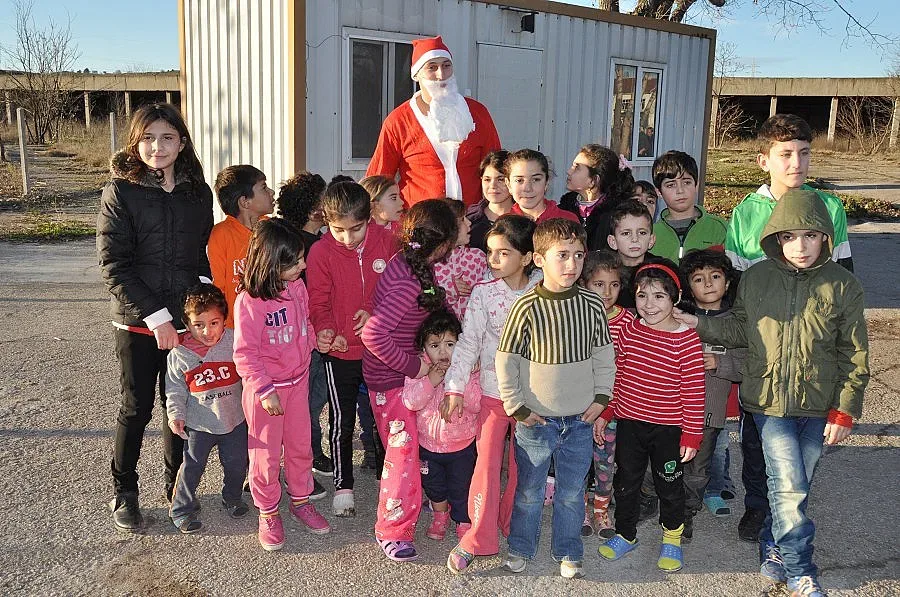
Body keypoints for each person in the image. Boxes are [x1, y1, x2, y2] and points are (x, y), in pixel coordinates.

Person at [677, 189, 868, 596]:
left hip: (818, 405)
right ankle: (801, 568)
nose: (800, 246)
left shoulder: (844, 285)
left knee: (795, 486)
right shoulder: (759, 278)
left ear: (826, 238)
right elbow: (737, 330)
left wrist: (845, 409)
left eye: (811, 236)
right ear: (776, 238)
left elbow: (853, 353)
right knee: (789, 488)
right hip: (767, 403)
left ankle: (772, 543)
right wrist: (695, 322)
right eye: (789, 236)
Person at [724, 113, 854, 544]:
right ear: (764, 161)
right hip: (761, 345)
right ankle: (758, 506)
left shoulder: (829, 207)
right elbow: (735, 281)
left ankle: (788, 510)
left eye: (803, 153)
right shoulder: (747, 211)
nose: (795, 162)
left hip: (811, 349)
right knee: (757, 433)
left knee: (801, 439)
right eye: (785, 154)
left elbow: (843, 277)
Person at [97, 102, 214, 532]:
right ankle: (124, 492)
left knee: (178, 405)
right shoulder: (121, 191)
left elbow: (199, 255)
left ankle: (177, 488)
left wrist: (201, 308)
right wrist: (157, 317)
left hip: (184, 321)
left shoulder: (196, 192)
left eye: (167, 137)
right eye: (148, 137)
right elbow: (114, 265)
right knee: (137, 406)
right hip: (137, 321)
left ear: (181, 142)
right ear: (135, 141)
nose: (157, 146)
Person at [497, 218, 616, 580]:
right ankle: (520, 547)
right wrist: (516, 407)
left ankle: (567, 550)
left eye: (578, 255)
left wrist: (601, 399)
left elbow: (603, 356)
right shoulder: (526, 306)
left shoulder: (592, 305)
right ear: (538, 259)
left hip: (580, 420)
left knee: (571, 492)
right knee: (530, 491)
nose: (571, 264)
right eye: (561, 255)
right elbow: (507, 360)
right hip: (536, 421)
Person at [360, 199, 459, 562]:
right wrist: (413, 368)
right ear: (444, 242)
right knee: (402, 458)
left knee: (414, 450)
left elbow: (430, 307)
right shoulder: (405, 278)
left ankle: (429, 507)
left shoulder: (416, 267)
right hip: (391, 382)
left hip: (403, 378)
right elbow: (374, 335)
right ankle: (392, 530)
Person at [443, 214, 542, 573]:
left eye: (503, 253)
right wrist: (454, 387)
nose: (492, 260)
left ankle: (513, 528)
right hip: (492, 394)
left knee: (524, 467)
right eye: (490, 252)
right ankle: (478, 537)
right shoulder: (484, 294)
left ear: (528, 257)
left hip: (534, 397)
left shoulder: (546, 291)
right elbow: (468, 343)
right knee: (485, 465)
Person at [596, 260, 705, 573]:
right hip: (630, 423)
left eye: (659, 297)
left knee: (669, 485)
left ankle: (672, 535)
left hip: (669, 430)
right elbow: (620, 373)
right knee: (626, 483)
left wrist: (691, 435)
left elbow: (695, 392)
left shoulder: (686, 341)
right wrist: (608, 410)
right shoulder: (631, 329)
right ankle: (625, 534)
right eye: (642, 296)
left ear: (675, 298)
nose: (649, 304)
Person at [233, 218, 331, 551]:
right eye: (295, 262)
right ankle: (268, 510)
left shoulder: (298, 287)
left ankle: (301, 500)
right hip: (267, 394)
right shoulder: (250, 302)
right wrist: (264, 390)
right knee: (266, 455)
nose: (303, 266)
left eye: (302, 258)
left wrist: (321, 340)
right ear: (271, 264)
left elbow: (304, 327)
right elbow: (245, 354)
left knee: (301, 445)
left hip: (298, 383)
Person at [306, 181, 397, 518]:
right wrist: (327, 331)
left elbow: (399, 287)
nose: (347, 238)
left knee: (385, 417)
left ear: (370, 217)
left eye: (355, 229)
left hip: (382, 348)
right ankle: (344, 485)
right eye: (338, 230)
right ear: (326, 221)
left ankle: (391, 479)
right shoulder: (320, 252)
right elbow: (318, 300)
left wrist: (375, 312)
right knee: (342, 419)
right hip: (341, 351)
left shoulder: (387, 242)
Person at [366, 36, 501, 207]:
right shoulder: (398, 121)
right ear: (416, 74)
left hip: (471, 223)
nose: (441, 75)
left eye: (446, 66)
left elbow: (497, 166)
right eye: (432, 67)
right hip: (421, 225)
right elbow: (378, 179)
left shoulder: (478, 113)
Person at [165, 284, 249, 533]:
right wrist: (175, 415)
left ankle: (232, 498)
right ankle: (181, 508)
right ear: (186, 324)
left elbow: (250, 370)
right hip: (198, 425)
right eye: (198, 324)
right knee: (191, 467)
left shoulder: (234, 341)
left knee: (236, 464)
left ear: (224, 320)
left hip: (234, 420)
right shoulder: (179, 354)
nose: (207, 331)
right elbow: (175, 390)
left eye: (214, 323)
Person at [677, 249, 744, 542]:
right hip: (672, 407)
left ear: (728, 283)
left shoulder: (736, 322)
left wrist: (719, 362)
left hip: (710, 410)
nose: (708, 284)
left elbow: (749, 363)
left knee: (698, 467)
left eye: (715, 277)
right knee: (666, 461)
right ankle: (659, 500)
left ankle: (686, 512)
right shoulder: (679, 317)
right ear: (688, 286)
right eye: (699, 279)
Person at [277, 170, 333, 495]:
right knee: (307, 401)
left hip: (316, 335)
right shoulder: (299, 246)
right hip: (301, 337)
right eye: (324, 200)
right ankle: (303, 455)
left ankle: (309, 450)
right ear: (314, 210)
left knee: (315, 397)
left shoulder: (322, 239)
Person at [402, 310, 480, 541]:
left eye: (449, 344)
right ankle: (440, 516)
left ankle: (463, 520)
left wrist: (458, 382)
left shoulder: (469, 370)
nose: (443, 351)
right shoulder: (420, 370)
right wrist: (430, 381)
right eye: (434, 345)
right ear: (424, 349)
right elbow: (410, 401)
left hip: (461, 445)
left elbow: (476, 405)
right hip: (428, 445)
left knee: (461, 487)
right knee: (434, 486)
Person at [576, 250, 635, 539]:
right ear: (584, 284)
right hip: (575, 405)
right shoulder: (576, 316)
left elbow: (625, 371)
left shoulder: (628, 322)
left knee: (605, 462)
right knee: (577, 461)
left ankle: (601, 509)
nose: (608, 291)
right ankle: (579, 509)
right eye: (599, 284)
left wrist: (607, 410)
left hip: (611, 408)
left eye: (614, 284)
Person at [209, 165, 275, 328]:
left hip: (272, 323)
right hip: (235, 327)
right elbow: (218, 286)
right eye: (264, 187)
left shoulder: (272, 229)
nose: (272, 192)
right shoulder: (221, 234)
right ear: (245, 202)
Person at [651, 151, 727, 263]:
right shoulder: (651, 233)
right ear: (659, 192)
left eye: (686, 183)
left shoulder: (719, 228)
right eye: (671, 185)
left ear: (696, 185)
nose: (680, 191)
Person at [559, 144, 635, 250]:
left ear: (593, 180)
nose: (569, 171)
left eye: (576, 168)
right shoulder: (563, 210)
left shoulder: (616, 216)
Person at [433, 198, 488, 320]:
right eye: (463, 219)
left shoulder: (477, 258)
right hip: (440, 334)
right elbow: (421, 298)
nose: (469, 223)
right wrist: (446, 290)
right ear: (447, 227)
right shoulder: (430, 262)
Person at [606, 199, 659, 309]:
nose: (635, 239)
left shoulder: (661, 270)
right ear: (613, 242)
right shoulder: (605, 272)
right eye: (626, 233)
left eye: (642, 233)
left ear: (651, 240)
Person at [506, 149, 580, 224]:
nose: (528, 188)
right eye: (519, 180)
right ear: (508, 185)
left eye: (536, 179)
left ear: (546, 182)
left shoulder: (568, 221)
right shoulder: (503, 225)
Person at [466, 150, 513, 253]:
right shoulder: (467, 220)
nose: (492, 186)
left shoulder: (526, 219)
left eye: (500, 179)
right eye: (487, 180)